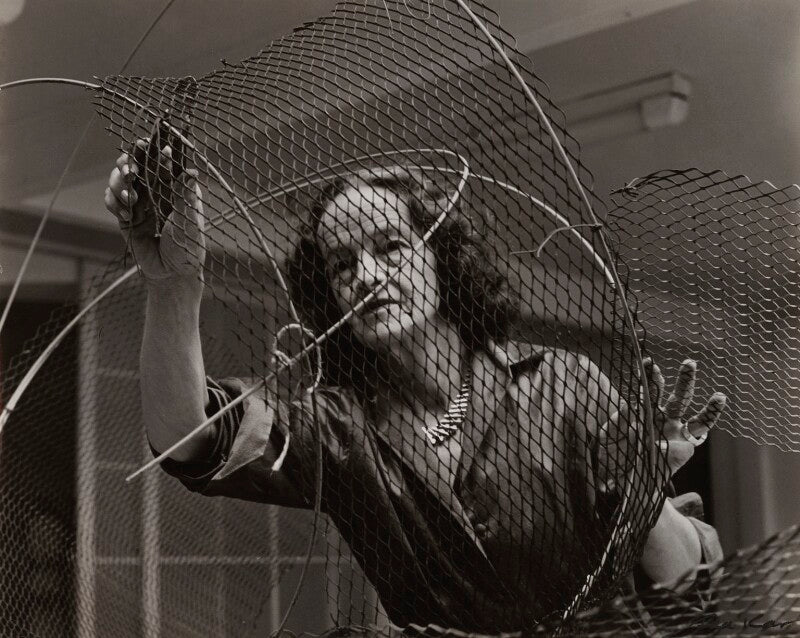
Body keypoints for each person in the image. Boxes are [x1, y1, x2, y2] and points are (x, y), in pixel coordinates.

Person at [104, 140, 725, 633]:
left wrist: (642, 490)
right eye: (342, 264)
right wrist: (174, 286)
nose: (366, 275)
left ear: (441, 259)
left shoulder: (565, 383)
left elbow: (682, 585)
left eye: (390, 247)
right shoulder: (339, 431)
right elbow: (187, 436)